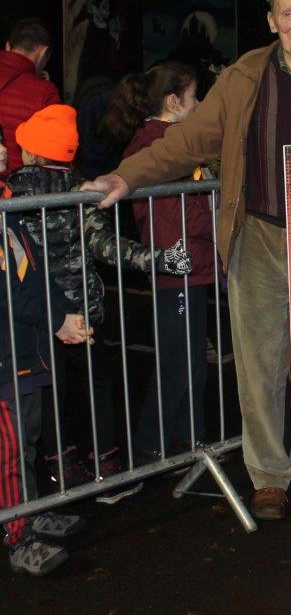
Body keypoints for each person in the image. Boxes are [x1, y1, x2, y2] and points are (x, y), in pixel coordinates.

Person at [82, 0, 291, 520]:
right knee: (260, 365)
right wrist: (125, 177)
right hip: (258, 234)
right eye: (288, 15)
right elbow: (186, 141)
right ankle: (269, 476)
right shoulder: (242, 78)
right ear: (271, 22)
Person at [4, 105, 192, 491]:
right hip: (84, 311)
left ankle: (60, 467)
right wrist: (160, 259)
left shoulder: (11, 192)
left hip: (39, 316)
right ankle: (106, 463)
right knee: (97, 385)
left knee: (51, 390)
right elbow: (107, 247)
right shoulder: (81, 191)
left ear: (34, 152)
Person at [103, 63, 216, 456]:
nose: (199, 104)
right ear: (174, 101)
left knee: (190, 357)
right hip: (178, 263)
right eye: (194, 96)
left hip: (190, 260)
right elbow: (170, 214)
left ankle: (190, 436)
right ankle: (154, 443)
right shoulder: (161, 143)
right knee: (177, 360)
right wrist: (175, 258)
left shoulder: (169, 139)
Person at [2, 140, 93, 576]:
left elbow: (36, 275)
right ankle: (16, 537)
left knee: (28, 440)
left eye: (0, 142)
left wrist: (63, 313)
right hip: (6, 357)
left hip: (24, 353)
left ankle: (30, 512)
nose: (1, 152)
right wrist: (55, 319)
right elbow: (9, 293)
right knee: (8, 453)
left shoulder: (9, 210)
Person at [0, 18, 60, 178]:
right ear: (43, 52)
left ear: (7, 46)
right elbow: (53, 152)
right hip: (19, 191)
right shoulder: (45, 91)